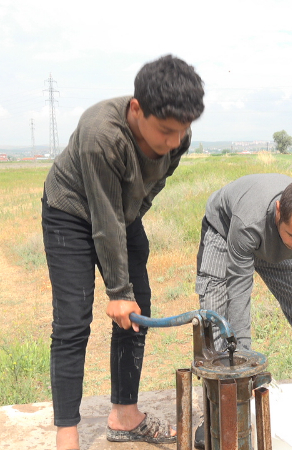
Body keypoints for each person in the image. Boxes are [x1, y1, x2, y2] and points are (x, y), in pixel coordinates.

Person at [41, 54, 204, 448]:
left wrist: (127, 294)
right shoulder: (102, 134)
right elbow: (104, 217)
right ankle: (67, 434)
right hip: (71, 211)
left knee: (137, 311)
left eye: (181, 132)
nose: (173, 142)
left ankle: (125, 415)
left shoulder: (178, 139)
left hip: (119, 214)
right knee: (73, 321)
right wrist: (117, 291)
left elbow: (148, 190)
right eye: (165, 131)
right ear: (136, 108)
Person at [193, 173, 292, 447]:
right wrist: (243, 365)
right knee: (216, 324)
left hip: (270, 242)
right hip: (226, 232)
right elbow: (239, 292)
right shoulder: (250, 222)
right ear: (279, 211)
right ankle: (220, 412)